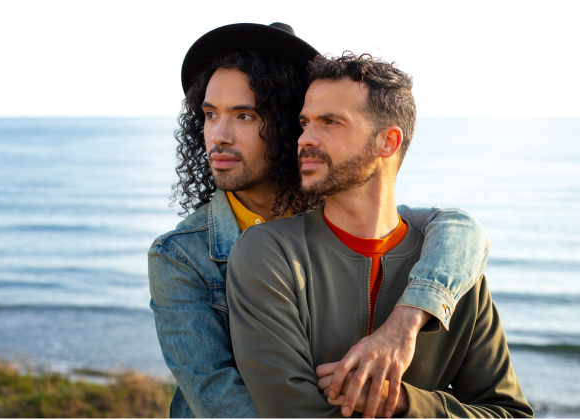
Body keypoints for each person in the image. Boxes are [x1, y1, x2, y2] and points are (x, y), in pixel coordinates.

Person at [148, 23, 491, 419]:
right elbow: (219, 399)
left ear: (290, 124)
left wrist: (405, 322)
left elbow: (457, 229)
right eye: (210, 115)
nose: (218, 136)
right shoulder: (180, 255)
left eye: (244, 115)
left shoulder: (338, 214)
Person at [226, 53, 533, 418]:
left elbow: (510, 413)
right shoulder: (267, 254)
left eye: (330, 122)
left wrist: (406, 402)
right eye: (305, 123)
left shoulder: (453, 273)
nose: (305, 138)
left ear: (387, 141)